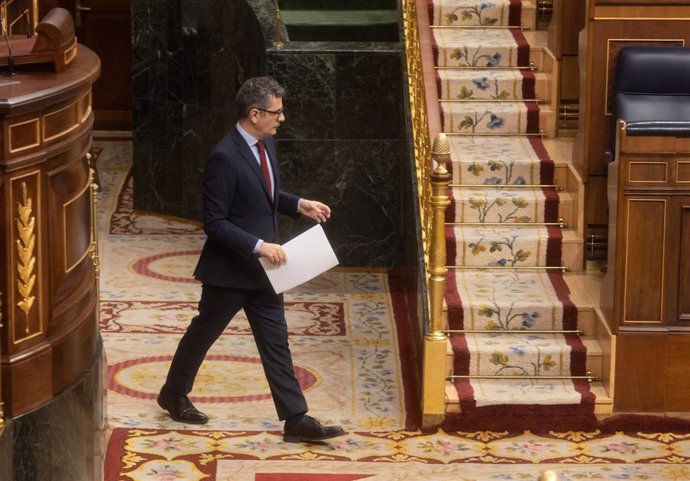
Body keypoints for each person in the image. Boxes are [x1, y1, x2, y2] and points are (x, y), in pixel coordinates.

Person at [157, 76, 345, 443]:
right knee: (203, 334)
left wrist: (297, 203)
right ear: (254, 113)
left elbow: (263, 192)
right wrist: (259, 245)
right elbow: (215, 222)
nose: (282, 118)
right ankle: (173, 394)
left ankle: (296, 419)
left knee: (276, 342)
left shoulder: (263, 144)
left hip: (263, 273)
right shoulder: (224, 157)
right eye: (276, 112)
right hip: (229, 272)